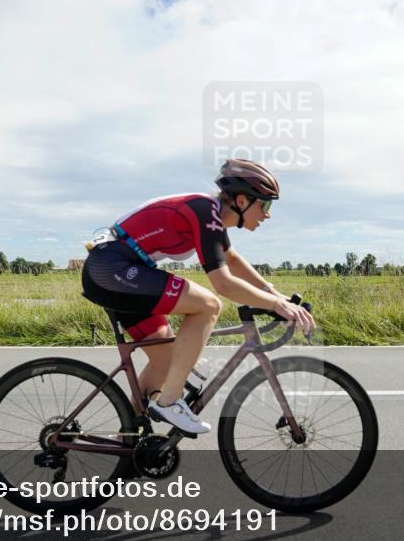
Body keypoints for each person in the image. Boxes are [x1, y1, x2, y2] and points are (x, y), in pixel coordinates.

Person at [81, 158, 315, 434]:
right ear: (242, 201)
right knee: (208, 305)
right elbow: (224, 284)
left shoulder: (212, 217)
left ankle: (129, 440)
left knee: (165, 361)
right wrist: (276, 304)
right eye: (265, 205)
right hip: (114, 269)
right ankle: (168, 402)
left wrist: (275, 295)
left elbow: (232, 259)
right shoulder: (204, 211)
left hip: (123, 272)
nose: (267, 214)